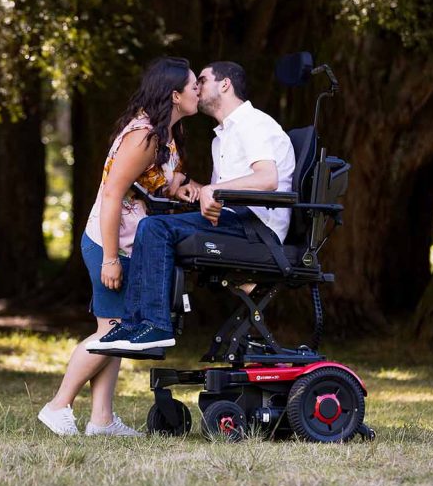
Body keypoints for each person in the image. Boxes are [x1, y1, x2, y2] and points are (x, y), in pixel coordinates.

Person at [38, 57, 200, 436]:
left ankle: (101, 420)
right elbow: (111, 195)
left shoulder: (165, 133)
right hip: (108, 243)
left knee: (117, 329)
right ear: (175, 95)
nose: (199, 92)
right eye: (193, 86)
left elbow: (155, 183)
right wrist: (110, 258)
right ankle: (58, 405)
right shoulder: (143, 136)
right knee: (112, 330)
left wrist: (183, 186)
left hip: (130, 243)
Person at [86, 60, 295, 353]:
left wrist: (214, 190)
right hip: (235, 222)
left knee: (155, 228)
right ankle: (134, 325)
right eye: (194, 83)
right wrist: (199, 192)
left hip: (255, 231)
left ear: (225, 84)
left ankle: (155, 326)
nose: (197, 88)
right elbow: (224, 193)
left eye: (203, 80)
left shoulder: (253, 124)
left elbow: (267, 178)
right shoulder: (223, 136)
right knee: (155, 226)